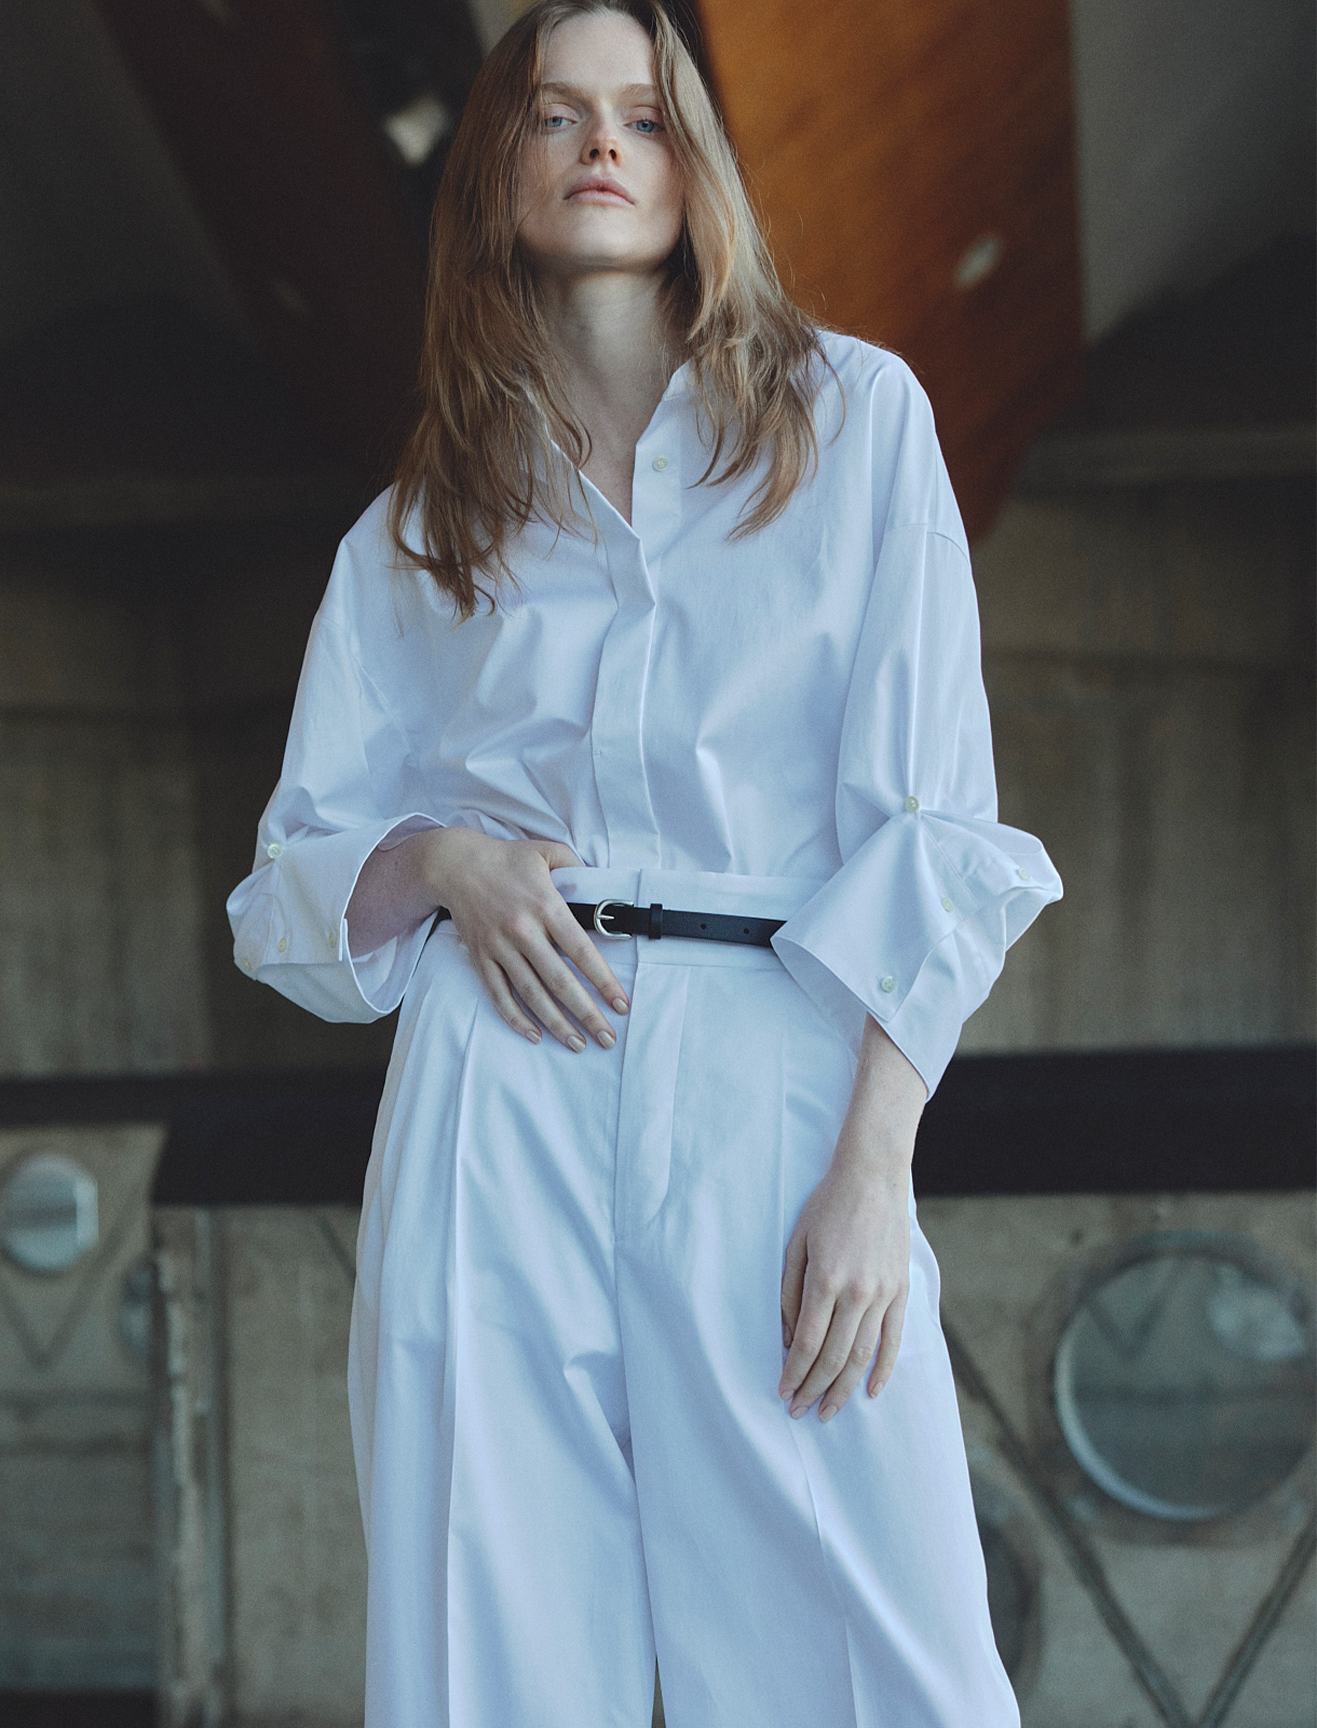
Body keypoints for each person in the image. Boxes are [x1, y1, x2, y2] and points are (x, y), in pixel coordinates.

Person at [227, 2, 1061, 1722]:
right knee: (488, 1650)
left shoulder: (855, 423)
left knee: (875, 1654)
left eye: (646, 113)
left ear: (699, 166)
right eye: (555, 114)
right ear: (494, 171)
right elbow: (283, 891)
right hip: (491, 1086)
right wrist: (441, 857)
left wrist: (876, 1170)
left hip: (773, 1074)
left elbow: (935, 825)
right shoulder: (418, 530)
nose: (603, 142)